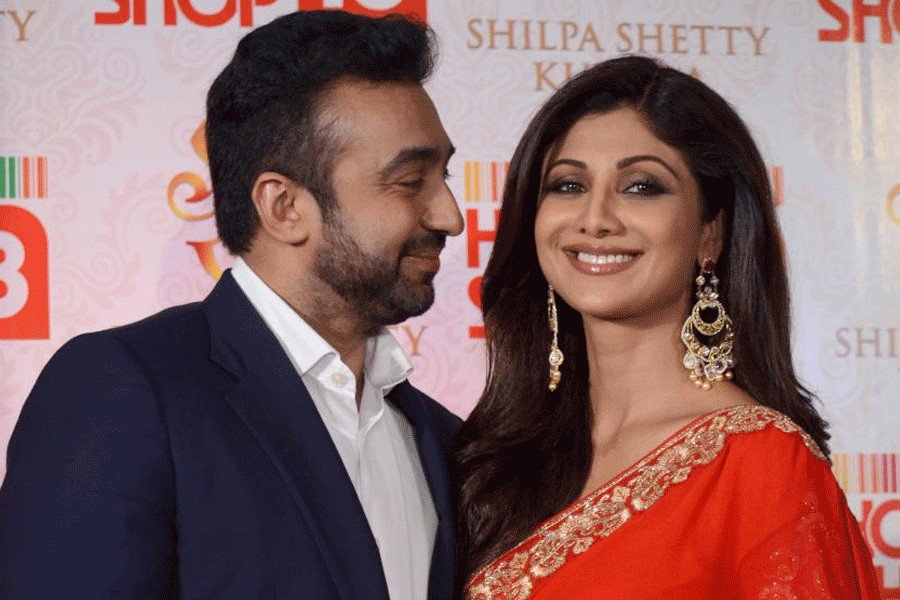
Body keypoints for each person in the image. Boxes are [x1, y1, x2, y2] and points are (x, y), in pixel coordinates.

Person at [0, 10, 464, 600]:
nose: (451, 216)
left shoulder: (444, 440)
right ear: (284, 207)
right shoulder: (123, 391)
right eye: (411, 181)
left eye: (445, 176)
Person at [453, 56, 879, 599]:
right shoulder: (496, 457)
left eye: (640, 187)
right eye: (568, 185)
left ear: (710, 232)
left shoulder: (762, 465)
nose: (595, 219)